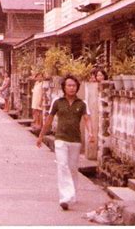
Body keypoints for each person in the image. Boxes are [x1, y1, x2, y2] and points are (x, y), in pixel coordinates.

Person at [36, 75, 94, 211]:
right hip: (60, 139)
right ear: (64, 87)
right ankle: (65, 198)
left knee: (73, 168)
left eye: (74, 85)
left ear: (77, 87)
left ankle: (72, 194)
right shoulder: (57, 102)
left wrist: (91, 133)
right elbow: (49, 120)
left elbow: (87, 119)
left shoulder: (82, 103)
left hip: (75, 140)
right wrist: (41, 136)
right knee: (62, 166)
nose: (71, 88)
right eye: (69, 85)